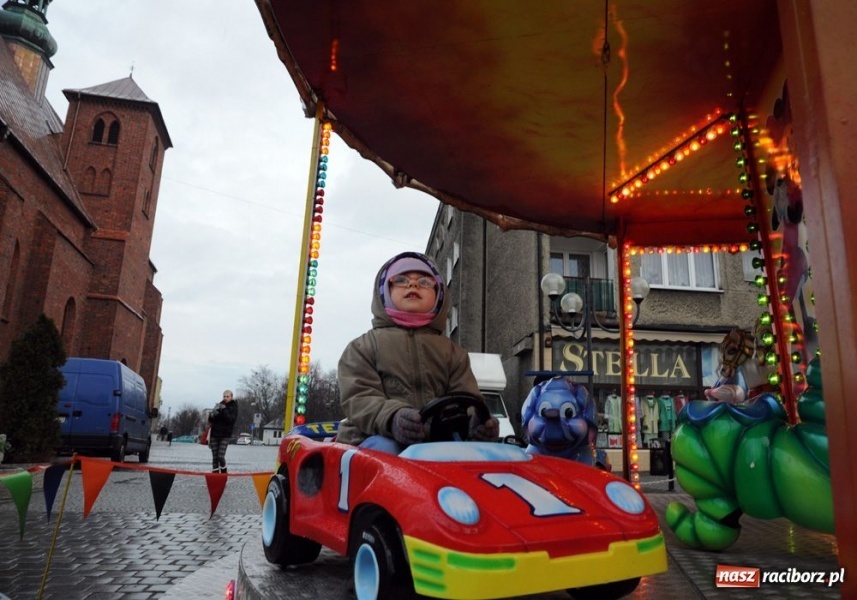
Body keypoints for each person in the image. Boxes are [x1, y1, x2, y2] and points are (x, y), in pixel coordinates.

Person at [337, 251, 499, 454]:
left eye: (424, 282)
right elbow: (359, 398)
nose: (413, 285)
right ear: (385, 292)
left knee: (487, 456)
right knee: (386, 452)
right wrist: (393, 417)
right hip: (372, 438)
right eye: (401, 280)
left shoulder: (453, 353)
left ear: (439, 295)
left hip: (435, 444)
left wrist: (478, 423)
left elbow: (466, 396)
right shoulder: (362, 348)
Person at [208, 389, 238, 473]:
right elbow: (211, 420)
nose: (225, 398)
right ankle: (215, 477)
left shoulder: (233, 407)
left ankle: (224, 471)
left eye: (227, 396)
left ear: (231, 397)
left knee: (220, 456)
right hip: (214, 433)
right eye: (224, 396)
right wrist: (212, 414)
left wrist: (224, 410)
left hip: (225, 434)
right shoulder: (219, 405)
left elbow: (231, 420)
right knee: (215, 457)